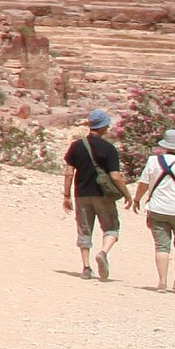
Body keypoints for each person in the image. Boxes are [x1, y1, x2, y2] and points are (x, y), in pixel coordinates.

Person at [129, 129, 175, 293]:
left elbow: (143, 184)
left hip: (157, 209)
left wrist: (137, 199)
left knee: (162, 246)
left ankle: (162, 282)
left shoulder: (153, 161)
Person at [62, 110, 127, 281]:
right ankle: (103, 253)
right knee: (111, 228)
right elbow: (115, 176)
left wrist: (66, 196)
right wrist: (126, 194)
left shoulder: (75, 146)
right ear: (104, 126)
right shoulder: (109, 148)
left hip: (81, 194)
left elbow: (69, 173)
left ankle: (85, 267)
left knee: (84, 230)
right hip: (103, 195)